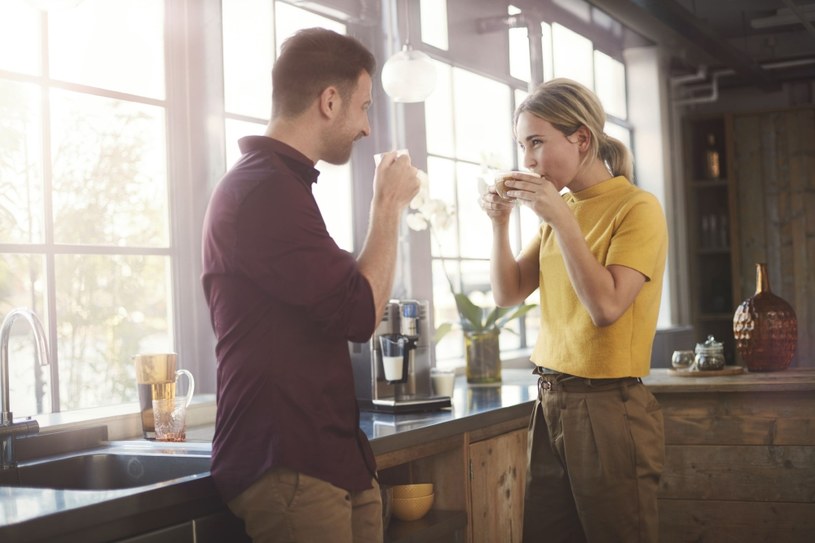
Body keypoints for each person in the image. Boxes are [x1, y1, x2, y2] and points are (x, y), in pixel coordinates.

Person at [201, 28, 420, 543]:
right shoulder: (264, 192)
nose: (368, 128)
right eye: (364, 107)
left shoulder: (282, 187)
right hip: (289, 461)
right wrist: (387, 205)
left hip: (329, 455)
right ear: (328, 101)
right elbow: (360, 316)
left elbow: (346, 302)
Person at [479, 78, 668, 542]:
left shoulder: (636, 207)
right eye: (523, 145)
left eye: (537, 142)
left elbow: (606, 307)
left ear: (581, 138)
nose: (527, 159)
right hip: (550, 403)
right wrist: (500, 225)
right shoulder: (560, 210)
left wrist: (559, 219)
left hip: (608, 408)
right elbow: (508, 292)